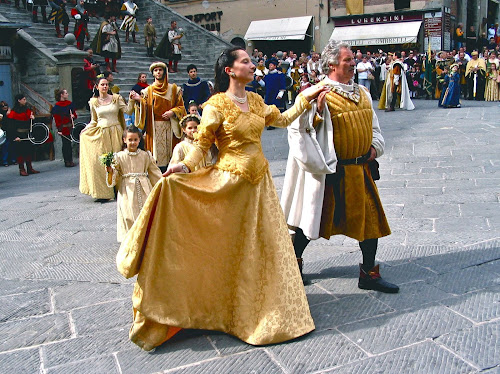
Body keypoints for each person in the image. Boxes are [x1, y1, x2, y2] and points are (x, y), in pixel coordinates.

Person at [116, 47, 327, 352]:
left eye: (251, 61)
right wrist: (184, 166)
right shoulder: (216, 105)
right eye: (246, 62)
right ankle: (215, 307)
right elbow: (201, 144)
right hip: (230, 186)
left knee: (262, 247)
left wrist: (307, 98)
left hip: (260, 186)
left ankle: (259, 309)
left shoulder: (255, 100)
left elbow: (282, 118)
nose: (252, 65)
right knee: (226, 248)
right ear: (230, 70)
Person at [281, 40, 398, 293]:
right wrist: (317, 112)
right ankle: (293, 266)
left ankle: (369, 274)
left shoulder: (363, 93)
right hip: (330, 173)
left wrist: (374, 149)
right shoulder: (314, 93)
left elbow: (375, 129)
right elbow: (299, 129)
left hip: (360, 171)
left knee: (370, 222)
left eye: (353, 60)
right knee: (310, 222)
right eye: (348, 60)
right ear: (332, 64)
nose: (353, 64)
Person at [79, 77, 134, 200]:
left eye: (106, 85)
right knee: (102, 161)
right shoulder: (94, 102)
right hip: (101, 133)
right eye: (102, 84)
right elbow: (94, 120)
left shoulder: (116, 98)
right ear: (97, 86)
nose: (105, 87)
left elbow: (128, 111)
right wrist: (86, 129)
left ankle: (120, 189)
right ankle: (104, 191)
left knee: (117, 159)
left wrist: (131, 100)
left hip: (115, 131)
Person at [106, 125, 162, 242]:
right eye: (130, 140)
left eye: (135, 140)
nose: (132, 142)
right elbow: (115, 175)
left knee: (145, 213)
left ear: (139, 140)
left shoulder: (146, 155)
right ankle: (130, 241)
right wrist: (111, 171)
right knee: (128, 214)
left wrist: (161, 185)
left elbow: (154, 172)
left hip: (144, 188)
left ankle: (145, 240)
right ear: (124, 140)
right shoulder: (119, 157)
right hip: (127, 190)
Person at [129, 62, 186, 172]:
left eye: (160, 70)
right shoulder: (148, 91)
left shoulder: (174, 89)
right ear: (153, 74)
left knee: (171, 155)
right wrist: (139, 100)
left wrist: (173, 112)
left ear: (164, 72)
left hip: (170, 126)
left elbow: (181, 108)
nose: (158, 72)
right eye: (155, 70)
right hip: (154, 126)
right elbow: (145, 107)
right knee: (157, 158)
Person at [7, 94, 39, 176]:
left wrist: (32, 119)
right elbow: (11, 127)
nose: (25, 101)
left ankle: (29, 168)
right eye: (24, 99)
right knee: (20, 152)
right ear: (19, 100)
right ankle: (21, 169)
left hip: (26, 133)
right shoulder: (13, 113)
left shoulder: (27, 110)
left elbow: (31, 124)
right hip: (18, 134)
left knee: (29, 150)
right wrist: (15, 137)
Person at [51, 88, 77, 167]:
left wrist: (73, 116)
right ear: (61, 95)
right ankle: (67, 160)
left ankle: (70, 159)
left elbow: (74, 114)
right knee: (65, 144)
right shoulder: (57, 107)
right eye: (66, 93)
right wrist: (59, 129)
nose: (67, 94)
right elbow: (57, 119)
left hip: (70, 126)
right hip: (63, 128)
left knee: (70, 144)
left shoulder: (69, 104)